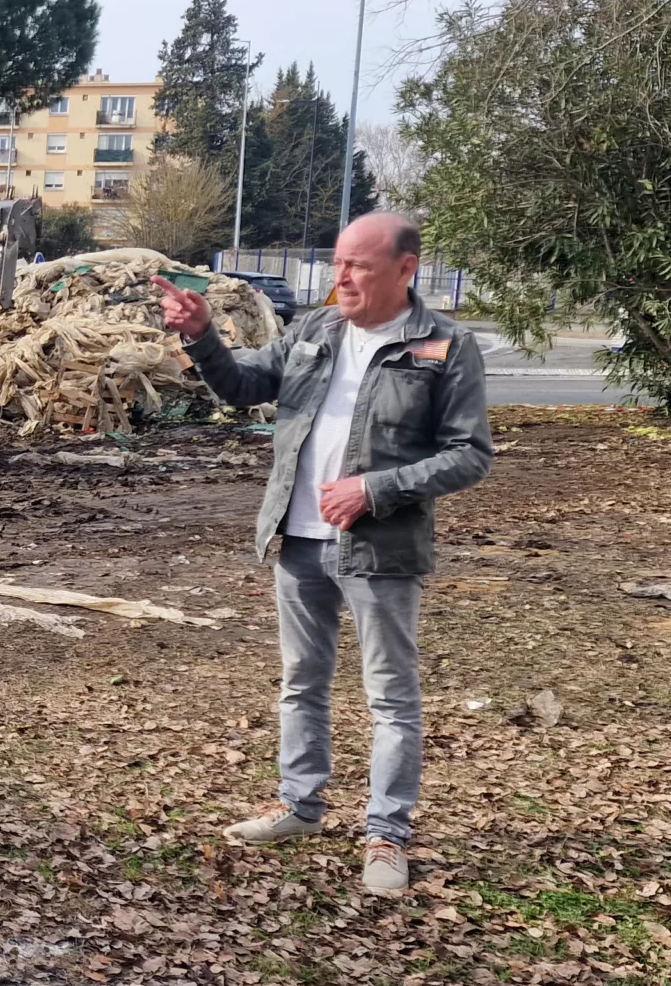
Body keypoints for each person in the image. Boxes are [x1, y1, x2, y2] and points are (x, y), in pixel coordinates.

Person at [152, 214, 491, 897]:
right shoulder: (315, 329)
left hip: (381, 548)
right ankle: (301, 804)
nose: (342, 277)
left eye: (359, 266)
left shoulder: (444, 346)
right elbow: (247, 386)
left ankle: (387, 832)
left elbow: (469, 454)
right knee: (302, 681)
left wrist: (376, 488)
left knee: (391, 697)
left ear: (406, 269)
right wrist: (201, 336)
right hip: (299, 537)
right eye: (338, 263)